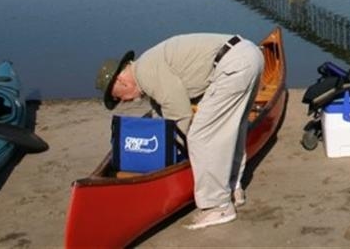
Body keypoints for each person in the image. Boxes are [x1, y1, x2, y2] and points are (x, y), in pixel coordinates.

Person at [96, 33, 264, 230]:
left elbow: (180, 115)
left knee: (201, 137)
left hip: (234, 65)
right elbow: (165, 115)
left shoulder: (146, 73)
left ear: (122, 82)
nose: (123, 102)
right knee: (232, 128)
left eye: (118, 97)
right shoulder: (148, 67)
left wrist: (176, 154)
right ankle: (233, 188)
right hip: (248, 55)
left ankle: (217, 206)